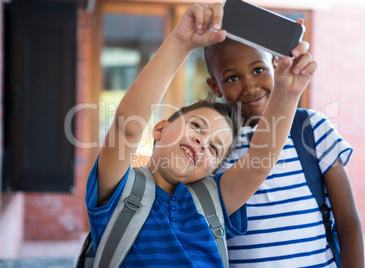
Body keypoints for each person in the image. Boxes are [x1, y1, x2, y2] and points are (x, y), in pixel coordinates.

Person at [85, 3, 316, 267]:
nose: (202, 142)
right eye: (196, 126)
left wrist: (287, 93)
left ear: (213, 170)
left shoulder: (212, 201)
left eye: (215, 149)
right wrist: (180, 43)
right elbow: (127, 127)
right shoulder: (119, 189)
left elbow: (259, 162)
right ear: (159, 129)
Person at [204, 34, 364, 266]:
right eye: (233, 77)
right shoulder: (212, 144)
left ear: (276, 65)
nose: (250, 86)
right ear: (214, 86)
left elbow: (348, 221)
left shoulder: (311, 128)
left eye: (258, 70)